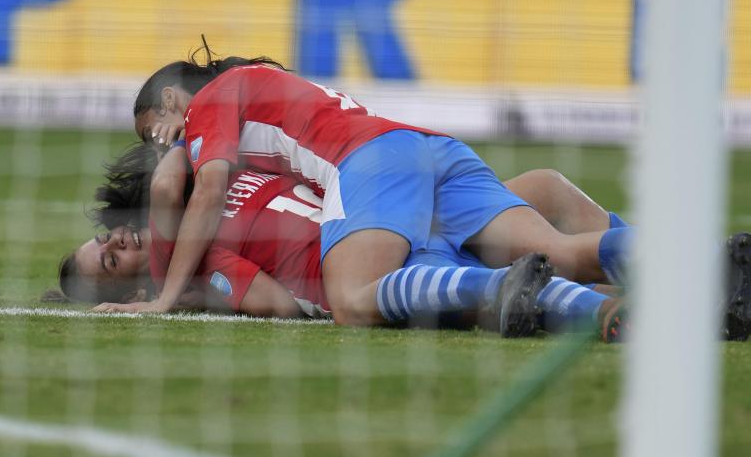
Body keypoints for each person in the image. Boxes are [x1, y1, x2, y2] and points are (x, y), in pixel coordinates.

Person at [115, 49, 633, 332]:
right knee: (558, 249)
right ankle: (691, 271)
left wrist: (164, 299)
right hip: (423, 147)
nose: (163, 143)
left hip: (371, 163)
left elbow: (204, 190)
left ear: (169, 98)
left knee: (352, 299)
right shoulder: (253, 90)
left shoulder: (207, 107)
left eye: (154, 130)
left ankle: (500, 288)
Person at [62, 143, 634, 339]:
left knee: (546, 189)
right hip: (383, 261)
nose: (121, 237)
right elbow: (279, 304)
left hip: (399, 219)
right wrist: (190, 294)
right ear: (134, 288)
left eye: (105, 237)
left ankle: (663, 271)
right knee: (539, 263)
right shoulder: (205, 254)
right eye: (113, 257)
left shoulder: (225, 177)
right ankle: (657, 289)